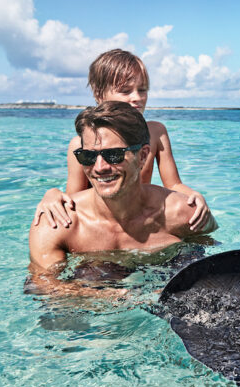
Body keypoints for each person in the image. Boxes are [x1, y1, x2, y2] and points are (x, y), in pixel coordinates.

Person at [28, 101, 217, 297]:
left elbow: (218, 260)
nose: (100, 167)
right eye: (88, 156)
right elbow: (43, 287)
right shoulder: (57, 224)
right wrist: (117, 297)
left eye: (114, 155)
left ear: (143, 156)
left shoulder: (183, 214)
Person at [33, 49, 210, 232]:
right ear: (99, 94)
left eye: (142, 90)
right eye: (125, 91)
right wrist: (52, 195)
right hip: (105, 226)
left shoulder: (156, 132)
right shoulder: (80, 145)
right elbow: (74, 199)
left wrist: (193, 195)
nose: (137, 98)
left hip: (143, 220)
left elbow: (173, 184)